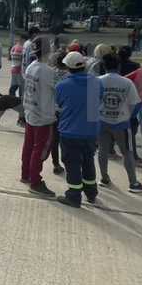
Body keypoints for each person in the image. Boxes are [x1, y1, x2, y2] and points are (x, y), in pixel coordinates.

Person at [54, 51, 103, 208]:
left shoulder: (62, 85)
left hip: (70, 131)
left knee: (72, 164)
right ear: (84, 65)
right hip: (90, 130)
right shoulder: (97, 82)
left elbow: (59, 103)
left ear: (68, 67)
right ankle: (91, 192)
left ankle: (74, 195)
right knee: (88, 161)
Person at [97, 54, 142, 192]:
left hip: (102, 121)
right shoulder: (126, 82)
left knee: (103, 150)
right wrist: (128, 117)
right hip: (121, 123)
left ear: (104, 66)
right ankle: (133, 182)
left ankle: (104, 177)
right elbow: (135, 104)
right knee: (128, 152)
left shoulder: (97, 81)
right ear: (118, 67)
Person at [20, 37, 57, 196]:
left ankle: (25, 174)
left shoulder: (31, 67)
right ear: (48, 51)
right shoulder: (47, 70)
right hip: (43, 116)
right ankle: (35, 181)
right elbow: (60, 87)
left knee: (29, 146)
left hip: (31, 112)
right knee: (40, 150)